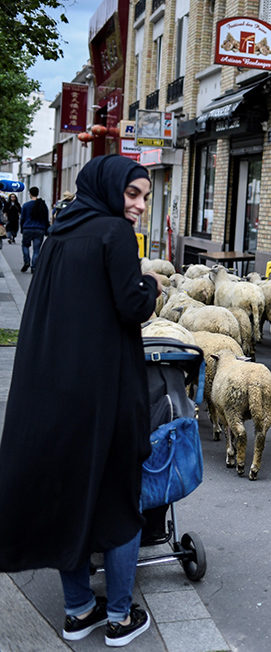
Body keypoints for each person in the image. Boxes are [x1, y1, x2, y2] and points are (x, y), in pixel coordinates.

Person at [0, 156, 162, 647]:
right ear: (112, 190)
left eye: (144, 198)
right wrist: (151, 285)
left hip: (52, 390)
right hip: (103, 393)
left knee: (70, 496)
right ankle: (118, 616)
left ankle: (77, 611)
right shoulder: (114, 234)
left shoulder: (61, 232)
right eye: (133, 194)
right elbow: (131, 306)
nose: (138, 206)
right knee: (117, 500)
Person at [19, 186, 49, 272]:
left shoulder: (26, 205)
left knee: (25, 245)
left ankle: (27, 261)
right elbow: (46, 219)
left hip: (27, 228)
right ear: (38, 193)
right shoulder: (43, 205)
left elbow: (22, 218)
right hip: (40, 229)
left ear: (30, 194)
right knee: (36, 249)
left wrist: (22, 228)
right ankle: (34, 266)